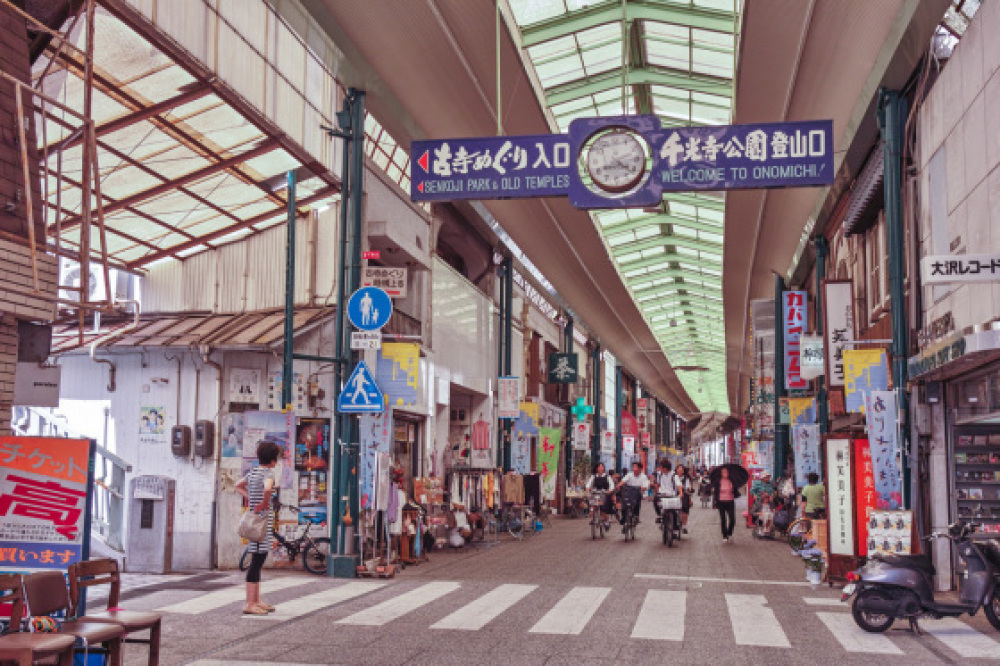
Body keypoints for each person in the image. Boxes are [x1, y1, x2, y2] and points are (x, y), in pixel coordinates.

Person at [235, 439, 281, 615]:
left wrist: (250, 498)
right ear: (272, 460)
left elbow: (238, 485)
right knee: (256, 563)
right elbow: (268, 489)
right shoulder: (268, 474)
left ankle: (256, 600)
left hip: (255, 522)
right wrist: (263, 502)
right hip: (261, 524)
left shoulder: (252, 473)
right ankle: (250, 603)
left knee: (258, 562)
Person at [617, 461, 650, 531]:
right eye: (633, 467)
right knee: (624, 505)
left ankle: (636, 516)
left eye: (635, 467)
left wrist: (643, 487)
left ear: (640, 469)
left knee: (636, 503)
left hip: (637, 493)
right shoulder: (629, 475)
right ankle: (624, 519)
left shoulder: (643, 477)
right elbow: (623, 481)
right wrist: (619, 485)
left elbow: (646, 484)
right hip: (629, 493)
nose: (634, 468)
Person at [712, 467, 741, 543]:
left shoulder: (731, 480)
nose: (725, 473)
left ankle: (729, 533)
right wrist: (714, 502)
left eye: (726, 472)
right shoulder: (718, 481)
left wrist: (735, 490)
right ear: (721, 473)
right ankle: (724, 535)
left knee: (732, 519)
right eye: (724, 472)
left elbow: (735, 490)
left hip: (730, 501)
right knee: (723, 519)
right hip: (721, 501)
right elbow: (715, 493)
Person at [585, 462, 613, 530]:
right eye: (599, 467)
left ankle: (606, 520)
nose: (600, 468)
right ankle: (592, 516)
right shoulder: (593, 476)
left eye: (601, 467)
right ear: (597, 468)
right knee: (591, 502)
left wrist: (609, 490)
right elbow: (588, 484)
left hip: (604, 494)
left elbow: (611, 485)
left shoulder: (607, 476)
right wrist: (587, 488)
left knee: (604, 507)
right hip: (596, 493)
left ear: (603, 468)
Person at [674, 463, 694, 534]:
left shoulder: (686, 478)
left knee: (685, 508)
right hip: (674, 494)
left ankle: (684, 526)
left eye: (681, 469)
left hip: (684, 494)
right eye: (678, 469)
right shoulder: (673, 477)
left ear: (683, 471)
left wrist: (689, 489)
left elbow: (688, 488)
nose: (679, 471)